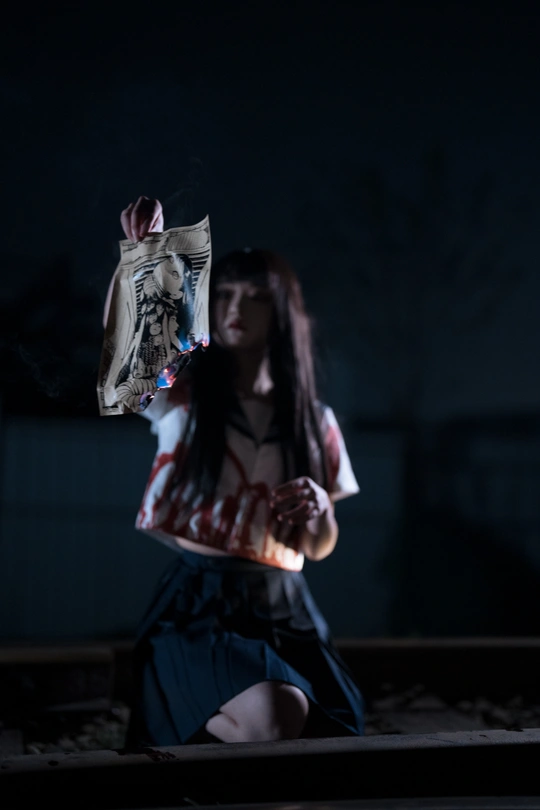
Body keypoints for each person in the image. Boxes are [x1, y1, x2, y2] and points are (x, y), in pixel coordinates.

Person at [104, 195, 364, 746]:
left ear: (283, 312)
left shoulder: (315, 421)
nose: (234, 307)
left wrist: (320, 507)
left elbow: (318, 547)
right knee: (272, 720)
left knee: (332, 732)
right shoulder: (183, 398)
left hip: (286, 604)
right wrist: (142, 258)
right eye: (223, 293)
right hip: (201, 603)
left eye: (255, 296)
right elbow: (127, 368)